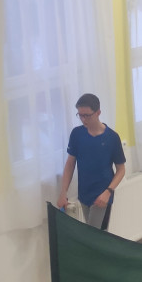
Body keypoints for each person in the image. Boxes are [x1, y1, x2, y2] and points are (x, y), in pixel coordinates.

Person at [55, 93, 127, 231]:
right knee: (94, 234)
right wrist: (63, 192)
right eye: (80, 115)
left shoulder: (112, 137)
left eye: (87, 115)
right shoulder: (77, 134)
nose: (83, 119)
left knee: (94, 234)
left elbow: (121, 170)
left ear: (98, 112)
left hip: (102, 195)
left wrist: (108, 192)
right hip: (84, 194)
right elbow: (70, 165)